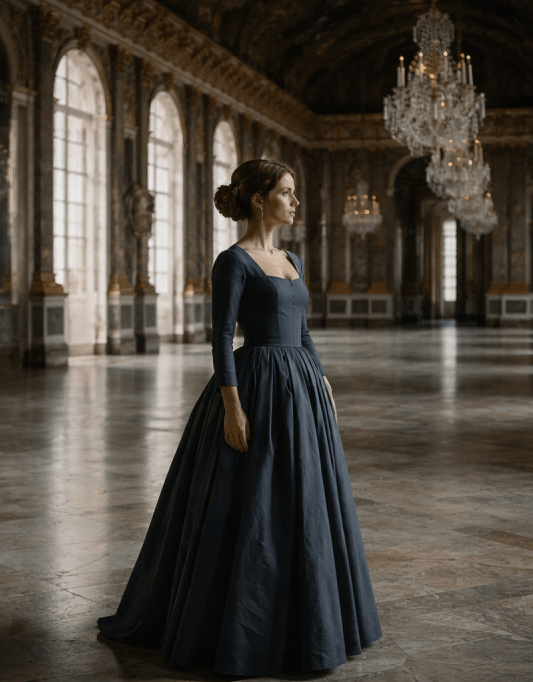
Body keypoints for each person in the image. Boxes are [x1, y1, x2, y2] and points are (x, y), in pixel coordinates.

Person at [97, 159, 382, 677]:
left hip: (301, 390)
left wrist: (322, 379)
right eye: (287, 193)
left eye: (294, 194)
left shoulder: (290, 257)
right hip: (255, 385)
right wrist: (232, 405)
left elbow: (304, 329)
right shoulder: (234, 261)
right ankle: (238, 628)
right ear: (258, 199)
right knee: (250, 509)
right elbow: (222, 335)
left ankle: (311, 623)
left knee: (307, 505)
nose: (295, 202)